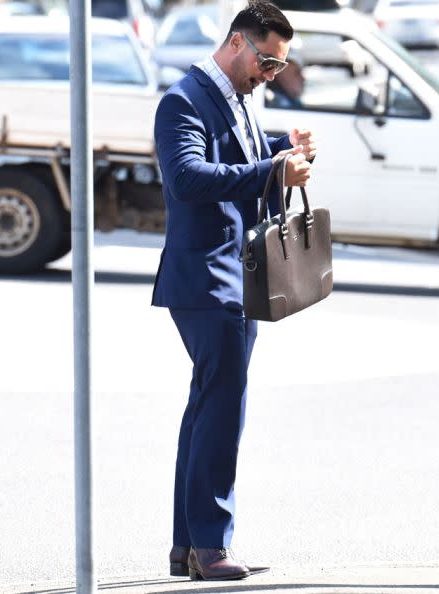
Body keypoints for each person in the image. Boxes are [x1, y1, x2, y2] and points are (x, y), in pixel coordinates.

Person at [151, 0, 317, 582]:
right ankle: (210, 544)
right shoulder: (183, 100)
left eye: (277, 68)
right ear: (238, 44)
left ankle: (189, 545)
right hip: (203, 277)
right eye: (268, 63)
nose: (271, 76)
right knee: (222, 409)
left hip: (231, 274)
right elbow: (188, 177)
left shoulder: (236, 96)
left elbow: (238, 153)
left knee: (207, 407)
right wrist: (273, 173)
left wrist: (279, 150)